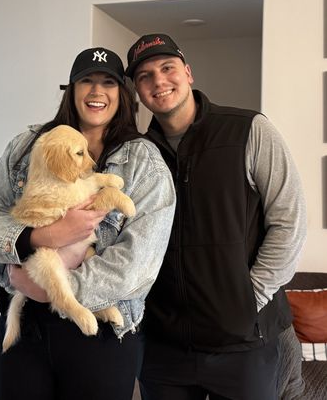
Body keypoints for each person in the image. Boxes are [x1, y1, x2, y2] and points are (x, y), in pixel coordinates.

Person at [0, 46, 176, 400]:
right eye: (86, 81)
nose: (96, 91)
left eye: (108, 82)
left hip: (99, 333)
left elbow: (138, 264)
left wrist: (55, 291)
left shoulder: (144, 162)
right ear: (72, 89)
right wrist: (36, 237)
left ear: (122, 93)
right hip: (26, 328)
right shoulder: (28, 145)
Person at [125, 33, 307, 400]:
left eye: (167, 67)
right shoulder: (138, 154)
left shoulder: (249, 129)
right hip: (164, 347)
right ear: (138, 91)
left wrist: (248, 300)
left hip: (243, 344)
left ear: (188, 73)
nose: (159, 81)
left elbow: (289, 221)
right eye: (145, 76)